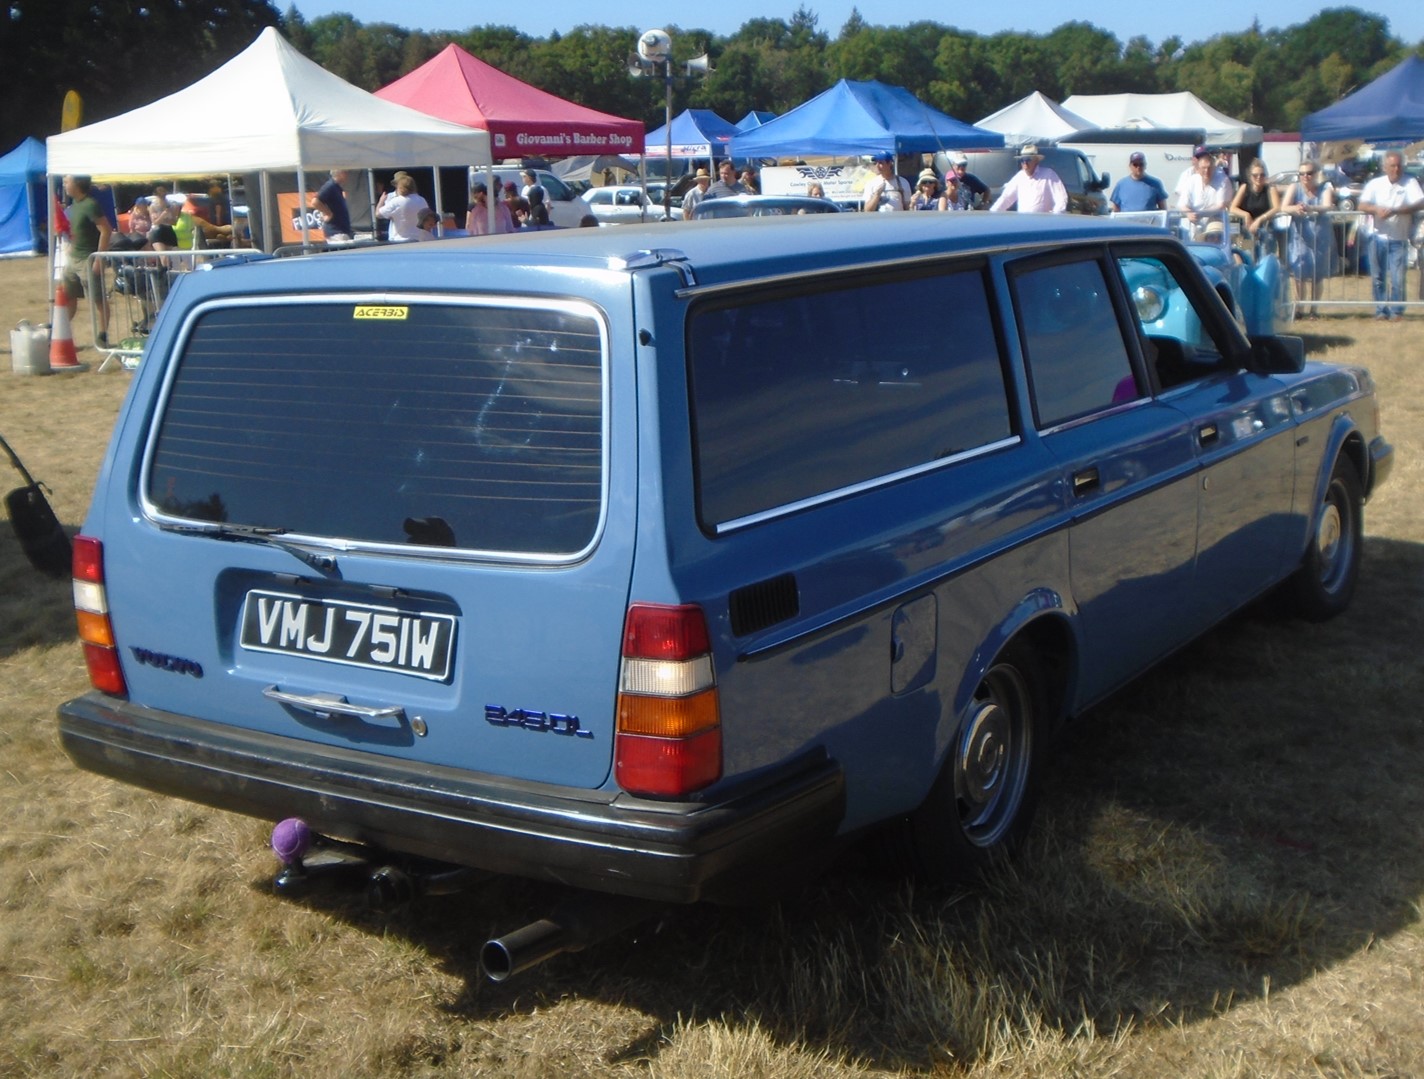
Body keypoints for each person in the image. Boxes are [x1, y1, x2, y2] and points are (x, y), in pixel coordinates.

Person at [1358, 150, 1424, 321]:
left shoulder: (1410, 182)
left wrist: (1397, 211)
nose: (1396, 169)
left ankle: (1396, 311)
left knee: (1397, 278)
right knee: (1378, 276)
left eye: (1399, 166)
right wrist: (1376, 210)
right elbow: (1362, 205)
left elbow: (1420, 202)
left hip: (1399, 238)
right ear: (1385, 167)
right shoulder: (1375, 184)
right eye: (1392, 166)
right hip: (1376, 236)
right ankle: (1380, 309)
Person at [61, 175, 112, 346]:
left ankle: (103, 335)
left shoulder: (91, 204)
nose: (64, 184)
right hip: (73, 259)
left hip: (88, 259)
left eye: (67, 181)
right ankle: (61, 333)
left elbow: (106, 230)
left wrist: (99, 257)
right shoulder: (74, 205)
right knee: (67, 296)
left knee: (97, 299)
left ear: (77, 184)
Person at [1281, 162, 1335, 319]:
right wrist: (1295, 209)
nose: (1305, 176)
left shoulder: (1325, 188)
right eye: (1302, 173)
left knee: (1317, 276)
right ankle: (1298, 308)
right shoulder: (1294, 187)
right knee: (1299, 274)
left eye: (1309, 173)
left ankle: (1314, 310)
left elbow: (1327, 206)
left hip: (1321, 236)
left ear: (1316, 173)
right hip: (1300, 238)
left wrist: (1311, 208)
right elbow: (1284, 207)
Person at [990, 144, 1067, 213]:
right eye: (1022, 160)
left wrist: (1054, 217)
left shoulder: (1049, 175)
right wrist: (992, 214)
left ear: (1036, 161)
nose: (1025, 163)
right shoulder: (1019, 177)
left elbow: (1061, 199)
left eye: (1028, 159)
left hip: (1043, 225)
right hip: (1023, 224)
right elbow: (1006, 198)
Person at [1175, 146, 1233, 232]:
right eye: (1203, 168)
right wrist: (1188, 213)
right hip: (1191, 228)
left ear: (1213, 167)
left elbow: (1221, 206)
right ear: (1198, 168)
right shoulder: (1191, 180)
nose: (1206, 171)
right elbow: (1181, 204)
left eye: (1209, 168)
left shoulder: (1222, 179)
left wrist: (1200, 214)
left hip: (1214, 227)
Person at [1229, 161, 1282, 247]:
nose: (1259, 177)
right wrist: (1246, 215)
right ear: (1250, 176)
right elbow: (1233, 208)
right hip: (1247, 229)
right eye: (1255, 175)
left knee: (1265, 257)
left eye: (1262, 175)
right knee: (1248, 256)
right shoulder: (1244, 188)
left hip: (1266, 229)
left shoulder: (1271, 188)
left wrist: (1260, 219)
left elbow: (1277, 208)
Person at [376, 174, 429, 242]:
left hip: (400, 240)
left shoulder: (396, 201)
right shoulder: (422, 200)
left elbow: (378, 214)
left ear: (400, 187)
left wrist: (381, 201)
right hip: (420, 239)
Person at [310, 168, 353, 243]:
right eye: (346, 172)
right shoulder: (330, 186)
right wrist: (328, 213)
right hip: (336, 232)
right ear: (340, 173)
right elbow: (315, 201)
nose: (348, 175)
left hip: (341, 231)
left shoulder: (336, 187)